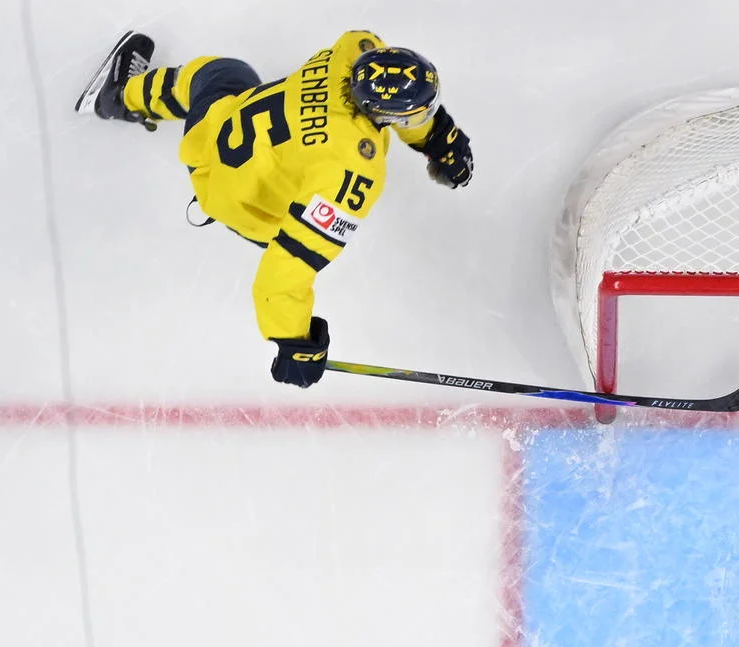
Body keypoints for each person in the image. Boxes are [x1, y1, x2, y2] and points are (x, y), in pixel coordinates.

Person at [75, 31, 473, 388]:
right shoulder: (349, 173)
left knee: (220, 72)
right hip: (239, 201)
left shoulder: (352, 50)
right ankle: (112, 99)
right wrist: (294, 340)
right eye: (417, 115)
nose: (422, 117)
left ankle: (124, 95)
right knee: (293, 227)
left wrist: (436, 135)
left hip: (223, 127)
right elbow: (284, 272)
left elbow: (392, 95)